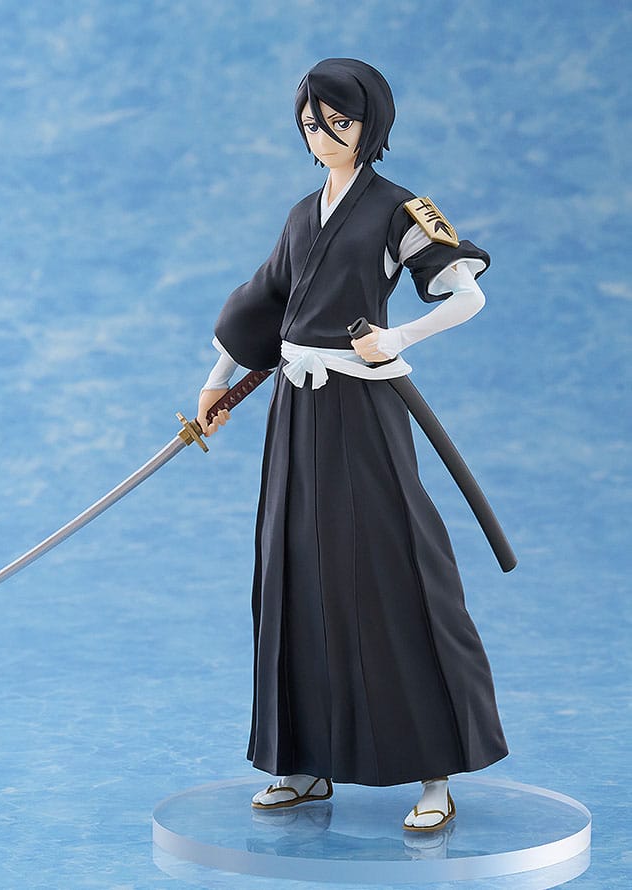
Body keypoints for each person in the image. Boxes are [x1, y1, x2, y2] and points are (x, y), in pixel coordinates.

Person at [196, 58, 508, 832]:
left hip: (362, 408)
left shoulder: (402, 209)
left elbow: (467, 295)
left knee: (396, 567)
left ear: (372, 123)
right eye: (312, 123)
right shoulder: (302, 215)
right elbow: (263, 301)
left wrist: (397, 337)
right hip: (295, 413)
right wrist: (216, 382)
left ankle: (435, 771)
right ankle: (304, 762)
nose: (324, 135)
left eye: (339, 121)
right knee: (293, 569)